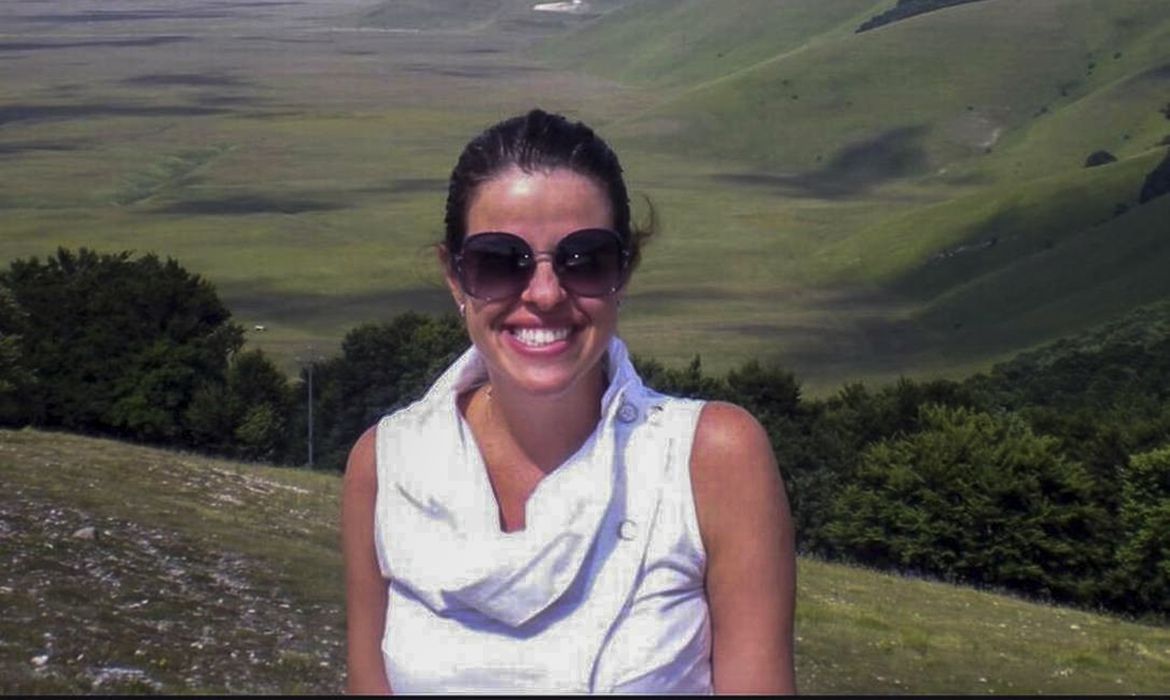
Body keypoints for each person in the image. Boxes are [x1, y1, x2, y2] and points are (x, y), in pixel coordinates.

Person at [342, 108, 796, 694]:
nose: (545, 294)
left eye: (585, 260)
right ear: (454, 277)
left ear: (624, 272)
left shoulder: (710, 461)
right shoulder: (386, 465)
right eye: (498, 262)